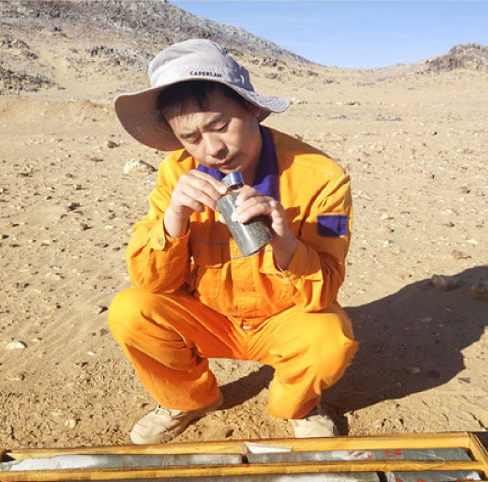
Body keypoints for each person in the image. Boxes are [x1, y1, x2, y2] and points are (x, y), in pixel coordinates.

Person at [108, 39, 357, 444]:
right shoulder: (176, 173)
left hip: (284, 318)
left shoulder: (322, 178)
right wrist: (175, 218)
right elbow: (152, 283)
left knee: (328, 339)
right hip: (210, 316)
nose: (213, 149)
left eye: (220, 125)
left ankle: (298, 406)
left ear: (252, 108)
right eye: (190, 137)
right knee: (131, 310)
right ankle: (188, 400)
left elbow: (323, 290)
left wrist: (285, 242)